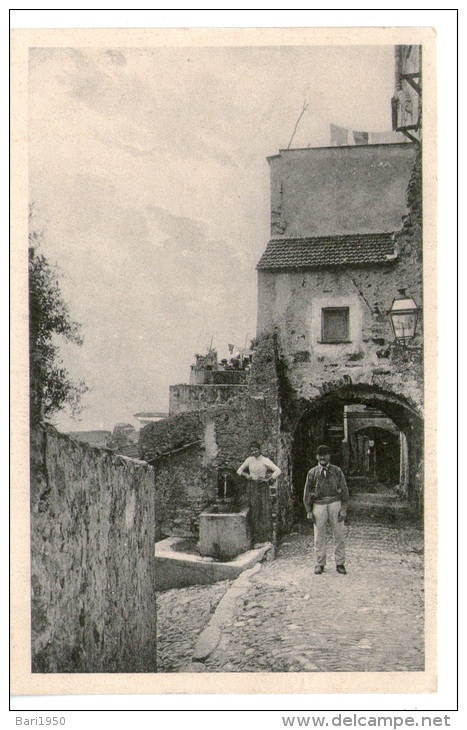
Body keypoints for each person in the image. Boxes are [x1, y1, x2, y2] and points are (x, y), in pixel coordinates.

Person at [303, 444, 349, 575]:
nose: (322, 457)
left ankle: (340, 563)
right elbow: (307, 492)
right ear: (317, 457)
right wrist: (308, 510)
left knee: (339, 534)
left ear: (329, 456)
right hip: (319, 505)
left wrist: (344, 508)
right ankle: (319, 563)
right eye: (320, 454)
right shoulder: (312, 473)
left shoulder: (337, 471)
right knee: (319, 535)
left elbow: (344, 490)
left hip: (335, 503)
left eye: (325, 454)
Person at [237, 441, 281, 543]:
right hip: (252, 487)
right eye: (252, 450)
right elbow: (239, 470)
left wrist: (268, 479)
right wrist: (246, 475)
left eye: (255, 450)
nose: (254, 452)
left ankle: (265, 537)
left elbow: (278, 470)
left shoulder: (265, 460)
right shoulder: (249, 460)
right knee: (254, 509)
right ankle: (255, 538)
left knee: (264, 509)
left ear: (260, 450)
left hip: (262, 487)